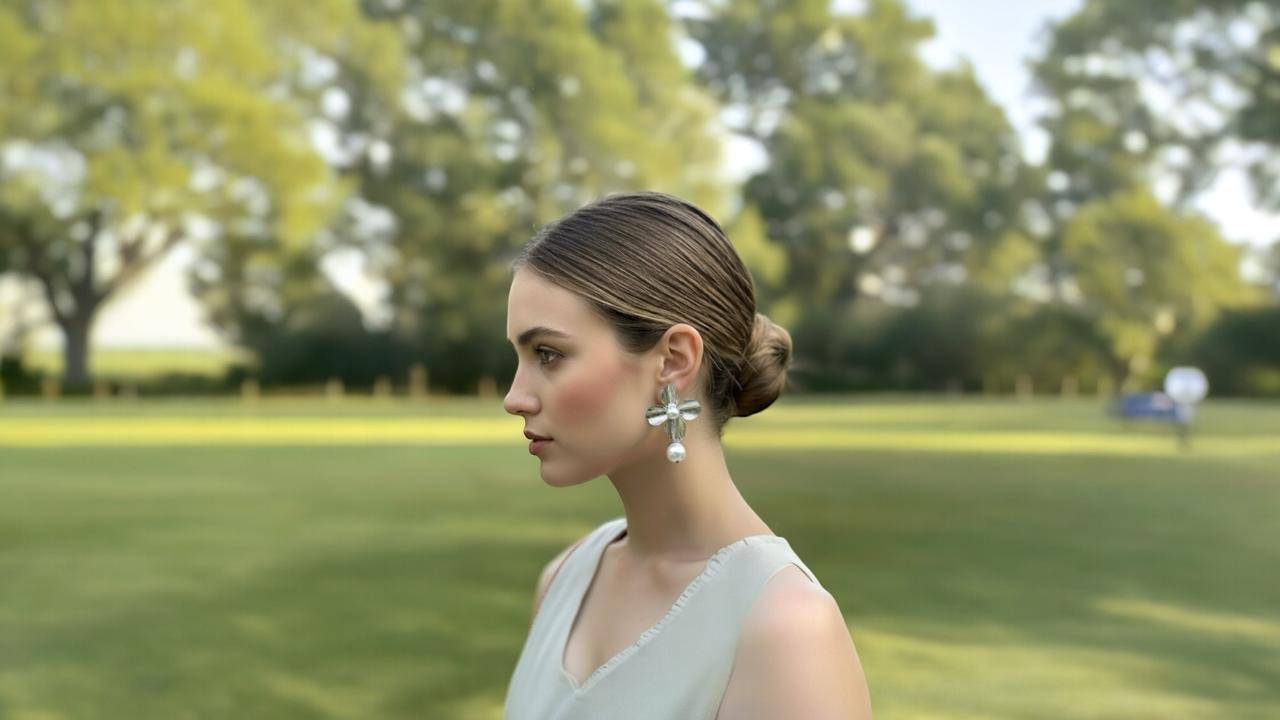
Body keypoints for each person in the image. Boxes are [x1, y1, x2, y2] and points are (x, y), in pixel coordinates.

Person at [501, 191, 872, 719]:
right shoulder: (564, 579)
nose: (515, 397)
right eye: (519, 355)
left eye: (548, 354)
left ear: (674, 360)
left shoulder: (784, 627)